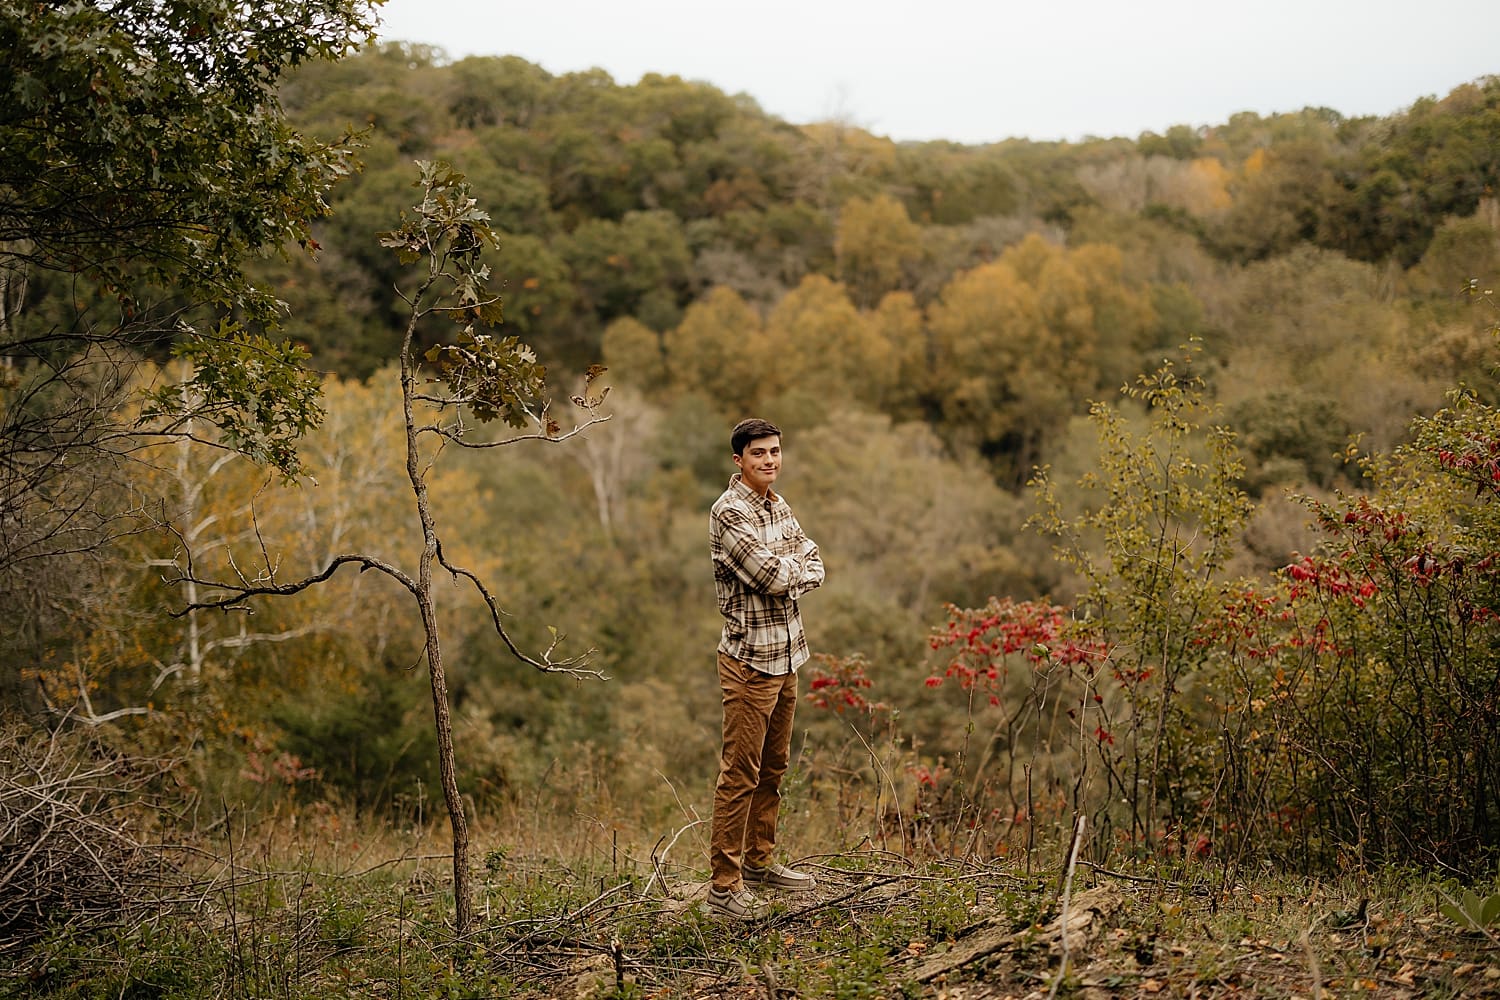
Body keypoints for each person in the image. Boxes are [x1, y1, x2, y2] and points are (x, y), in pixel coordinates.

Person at [705, 417, 825, 921]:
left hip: (788, 655)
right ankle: (723, 888)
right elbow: (772, 574)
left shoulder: (778, 505)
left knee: (774, 768)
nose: (770, 460)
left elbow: (813, 558)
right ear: (739, 460)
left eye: (775, 451)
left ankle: (758, 864)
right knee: (740, 774)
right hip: (750, 662)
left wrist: (793, 568)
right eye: (759, 453)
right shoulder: (729, 512)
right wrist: (794, 569)